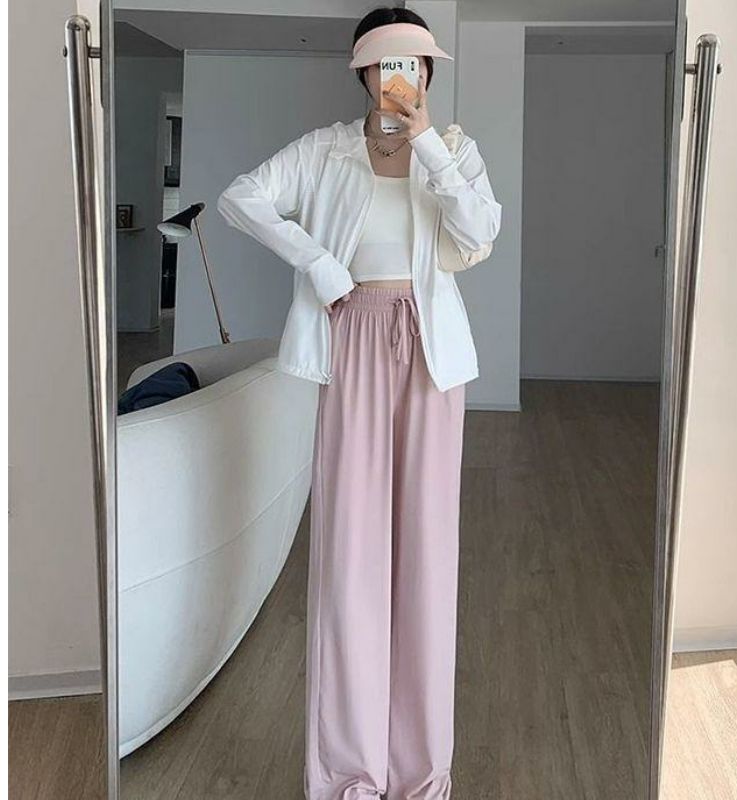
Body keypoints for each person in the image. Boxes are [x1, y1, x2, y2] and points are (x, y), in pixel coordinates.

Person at [217, 8, 502, 798]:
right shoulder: (324, 150)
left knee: (426, 557)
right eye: (387, 63)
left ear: (428, 73)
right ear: (363, 73)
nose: (402, 76)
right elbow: (242, 198)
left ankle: (421, 773)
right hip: (352, 342)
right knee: (350, 556)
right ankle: (350, 773)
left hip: (432, 355)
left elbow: (479, 234)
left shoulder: (455, 150)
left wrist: (427, 143)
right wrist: (317, 264)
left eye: (416, 62)